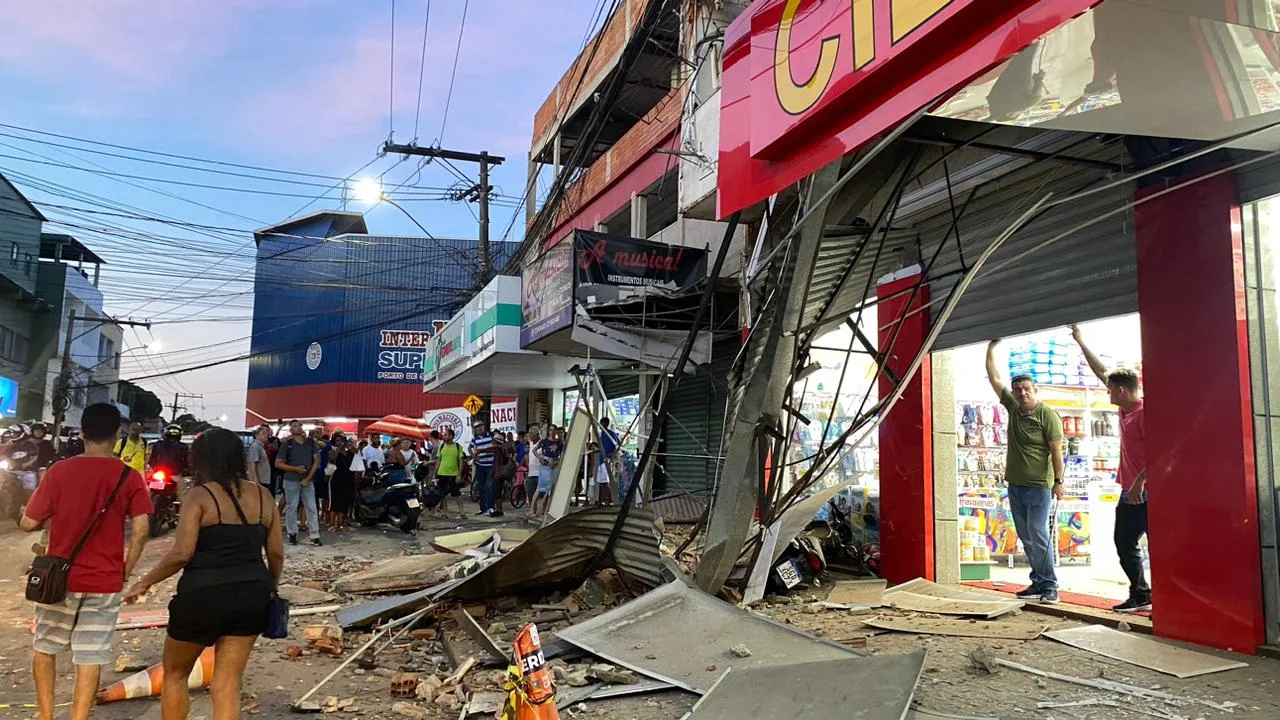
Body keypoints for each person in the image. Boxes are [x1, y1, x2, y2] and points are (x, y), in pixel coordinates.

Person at [123, 428, 284, 720]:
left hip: (202, 594)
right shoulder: (262, 495)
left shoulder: (199, 496)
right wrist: (271, 587)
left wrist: (145, 582)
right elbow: (275, 553)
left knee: (175, 673)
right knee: (227, 682)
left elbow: (182, 553)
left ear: (201, 460)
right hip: (251, 592)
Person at [21, 403, 152, 720]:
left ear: (81, 433)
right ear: (117, 435)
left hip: (58, 580)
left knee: (46, 646)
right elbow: (141, 532)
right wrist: (125, 571)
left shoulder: (59, 472)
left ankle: (47, 715)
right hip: (105, 581)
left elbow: (27, 523)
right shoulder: (129, 476)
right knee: (90, 655)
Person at [1073, 326, 1150, 612]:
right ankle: (1141, 592)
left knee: (1143, 543)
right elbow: (1101, 371)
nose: (1106, 392)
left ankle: (1153, 595)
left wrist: (1141, 481)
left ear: (1120, 391)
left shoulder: (1145, 414)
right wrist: (1081, 341)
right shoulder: (1123, 409)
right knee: (1124, 541)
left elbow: (1161, 450)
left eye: (1109, 390)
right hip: (1129, 489)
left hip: (1147, 490)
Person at [986, 340, 1066, 605]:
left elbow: (1056, 451)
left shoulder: (1047, 415)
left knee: (1038, 534)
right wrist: (990, 348)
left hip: (1039, 486)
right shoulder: (1013, 408)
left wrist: (1059, 481)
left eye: (1026, 389)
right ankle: (1038, 581)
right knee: (1026, 536)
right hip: (1016, 486)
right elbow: (993, 377)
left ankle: (1050, 586)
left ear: (1035, 390)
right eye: (1018, 389)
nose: (1022, 394)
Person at [275, 420, 320, 546]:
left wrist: (308, 478)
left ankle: (315, 535)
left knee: (311, 506)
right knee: (292, 507)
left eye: (299, 425)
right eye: (294, 426)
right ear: (291, 430)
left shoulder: (310, 442)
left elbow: (316, 461)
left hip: (307, 479)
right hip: (291, 479)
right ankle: (292, 534)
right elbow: (278, 463)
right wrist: (295, 469)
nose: (298, 427)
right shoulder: (287, 444)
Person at [433, 428, 467, 519]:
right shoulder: (442, 446)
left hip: (453, 474)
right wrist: (435, 474)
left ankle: (462, 512)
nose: (443, 436)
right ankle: (445, 512)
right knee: (442, 494)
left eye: (445, 435)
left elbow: (461, 461)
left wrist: (459, 474)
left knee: (457, 493)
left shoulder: (457, 447)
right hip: (441, 473)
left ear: (451, 436)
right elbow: (438, 461)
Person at [328, 435, 356, 531]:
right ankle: (332, 524)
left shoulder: (351, 452)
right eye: (337, 441)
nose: (340, 443)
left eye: (342, 441)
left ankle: (340, 524)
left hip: (348, 480)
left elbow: (358, 456)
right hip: (336, 480)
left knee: (344, 502)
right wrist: (339, 449)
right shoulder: (333, 451)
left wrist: (351, 445)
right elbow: (332, 459)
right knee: (334, 502)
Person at [470, 423, 496, 516]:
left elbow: (494, 448)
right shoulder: (475, 439)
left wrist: (483, 451)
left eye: (479, 429)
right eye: (476, 430)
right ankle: (483, 508)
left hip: (490, 465)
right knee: (481, 487)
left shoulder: (490, 436)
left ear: (483, 428)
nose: (478, 431)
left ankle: (490, 507)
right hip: (480, 465)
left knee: (489, 486)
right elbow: (470, 447)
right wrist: (474, 457)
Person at [597, 418, 621, 506]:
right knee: (602, 481)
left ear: (606, 424)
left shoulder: (610, 434)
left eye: (602, 424)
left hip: (607, 460)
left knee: (606, 481)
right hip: (601, 459)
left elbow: (617, 445)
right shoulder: (601, 434)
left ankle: (610, 499)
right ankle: (604, 499)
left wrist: (611, 456)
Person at [246, 425, 273, 490]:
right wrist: (255, 480)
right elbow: (252, 463)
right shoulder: (256, 446)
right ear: (257, 436)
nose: (266, 435)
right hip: (259, 481)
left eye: (266, 433)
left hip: (263, 480)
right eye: (263, 433)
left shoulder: (261, 447)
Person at [526, 428, 545, 516]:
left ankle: (539, 511)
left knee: (540, 494)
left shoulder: (541, 443)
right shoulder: (530, 444)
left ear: (537, 435)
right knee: (530, 492)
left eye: (531, 434)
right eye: (529, 434)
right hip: (531, 473)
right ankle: (533, 510)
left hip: (539, 472)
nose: (529, 436)